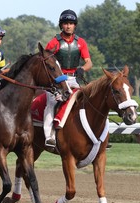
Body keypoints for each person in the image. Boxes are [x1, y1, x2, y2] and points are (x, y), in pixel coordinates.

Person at [43, 9, 92, 150]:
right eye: (65, 23)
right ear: (61, 25)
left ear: (75, 25)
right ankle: (49, 137)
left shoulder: (81, 42)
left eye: (71, 23)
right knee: (51, 103)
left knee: (88, 101)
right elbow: (45, 61)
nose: (68, 26)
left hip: (73, 79)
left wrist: (82, 69)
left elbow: (89, 62)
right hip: (57, 80)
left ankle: (94, 135)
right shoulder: (53, 42)